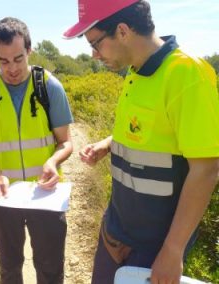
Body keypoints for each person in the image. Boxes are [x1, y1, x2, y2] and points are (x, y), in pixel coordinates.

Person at [63, 0, 219, 283]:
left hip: (153, 250)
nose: (95, 55)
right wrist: (108, 144)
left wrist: (173, 251)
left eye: (95, 44)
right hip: (115, 233)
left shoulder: (186, 74)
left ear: (122, 31)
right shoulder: (135, 71)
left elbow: (207, 169)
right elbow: (150, 131)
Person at [0, 17, 74, 284]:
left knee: (50, 267)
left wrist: (52, 161)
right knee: (10, 266)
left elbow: (67, 142)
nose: (11, 68)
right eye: (3, 61)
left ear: (29, 50)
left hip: (45, 195)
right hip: (1, 195)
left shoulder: (49, 86)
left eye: (18, 58)